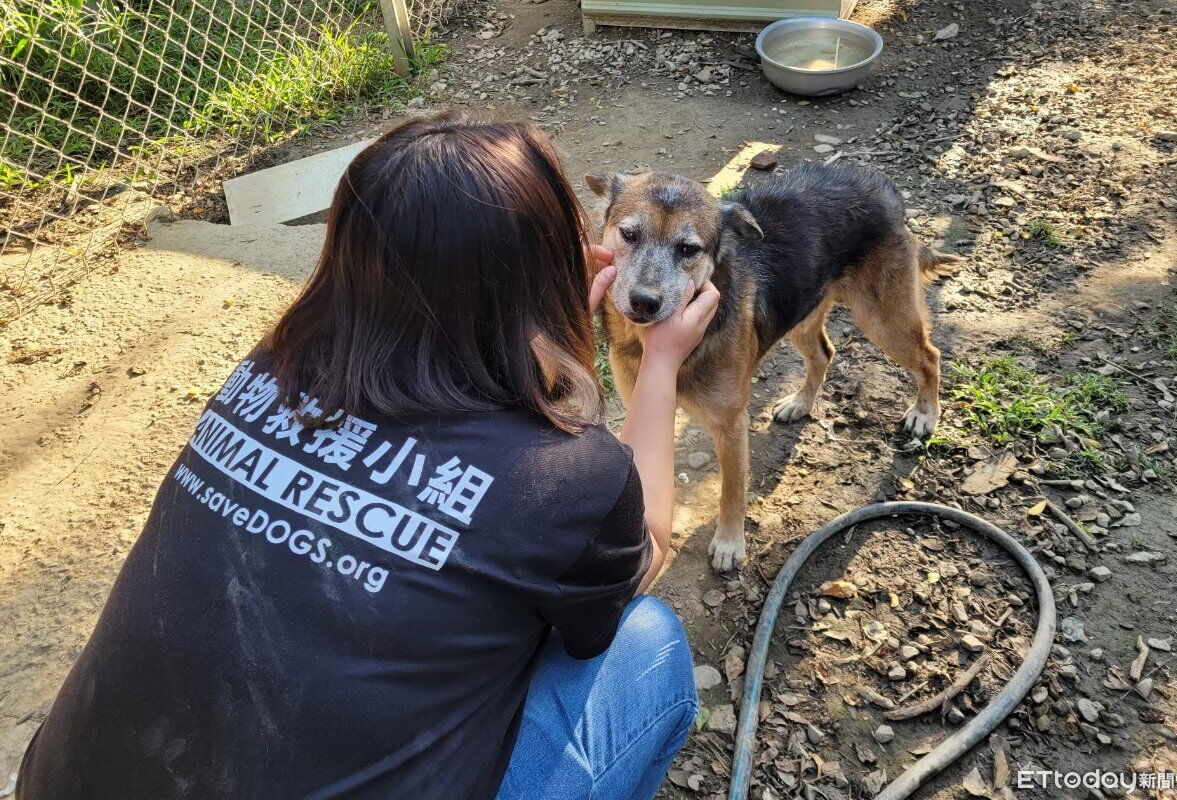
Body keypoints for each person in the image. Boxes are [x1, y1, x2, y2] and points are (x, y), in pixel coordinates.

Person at [15, 114, 720, 800]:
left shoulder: (269, 368)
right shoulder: (566, 475)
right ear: (542, 265)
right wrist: (658, 366)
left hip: (65, 779)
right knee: (645, 642)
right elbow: (647, 549)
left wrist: (544, 339)